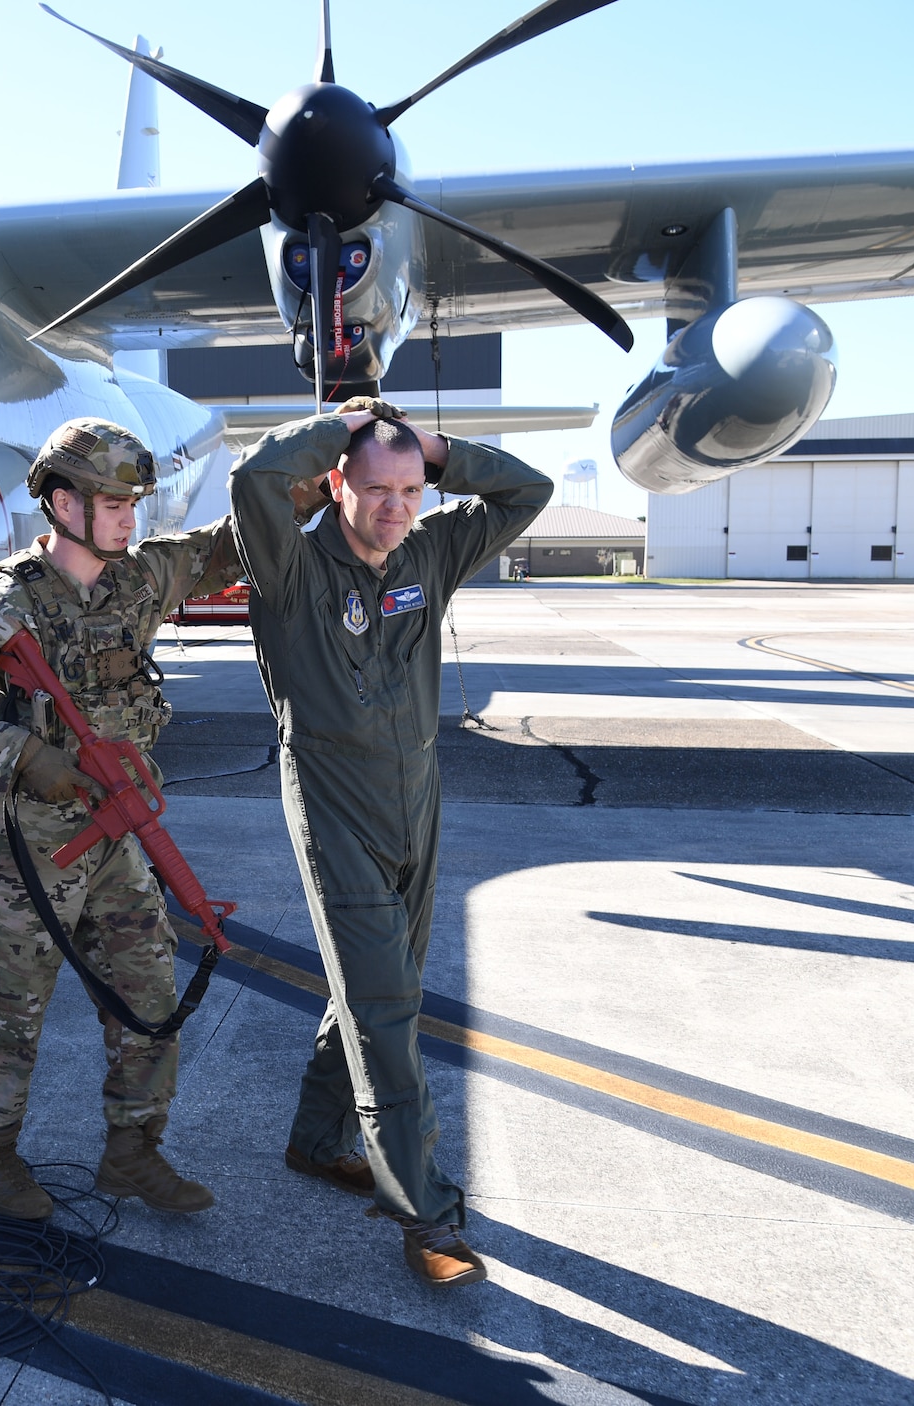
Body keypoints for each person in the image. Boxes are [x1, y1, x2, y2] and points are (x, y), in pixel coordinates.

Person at [230, 397, 551, 1287]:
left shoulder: (430, 553)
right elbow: (252, 477)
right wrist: (342, 428)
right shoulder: (291, 566)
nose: (397, 506)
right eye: (377, 488)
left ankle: (314, 1139)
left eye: (412, 488)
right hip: (336, 808)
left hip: (419, 799)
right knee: (387, 1016)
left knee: (379, 987)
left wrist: (441, 450)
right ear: (339, 483)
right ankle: (428, 1217)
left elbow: (530, 492)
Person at [0, 418, 241, 1221]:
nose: (131, 517)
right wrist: (25, 756)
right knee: (11, 1012)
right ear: (62, 503)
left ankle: (133, 1153)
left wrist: (321, 456)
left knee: (150, 996)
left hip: (116, 838)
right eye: (114, 501)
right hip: (28, 849)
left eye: (135, 502)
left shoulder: (139, 580)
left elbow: (231, 546)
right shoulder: (4, 601)